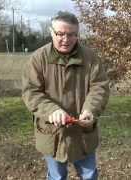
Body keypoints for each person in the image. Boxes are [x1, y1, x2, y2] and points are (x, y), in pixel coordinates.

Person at [22, 11, 109, 180]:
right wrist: (51, 110)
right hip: (52, 133)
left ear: (77, 34)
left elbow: (100, 87)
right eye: (60, 34)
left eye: (71, 34)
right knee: (57, 177)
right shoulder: (38, 59)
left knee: (89, 175)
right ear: (51, 32)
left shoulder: (90, 58)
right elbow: (31, 92)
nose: (65, 39)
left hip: (83, 133)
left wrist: (91, 109)